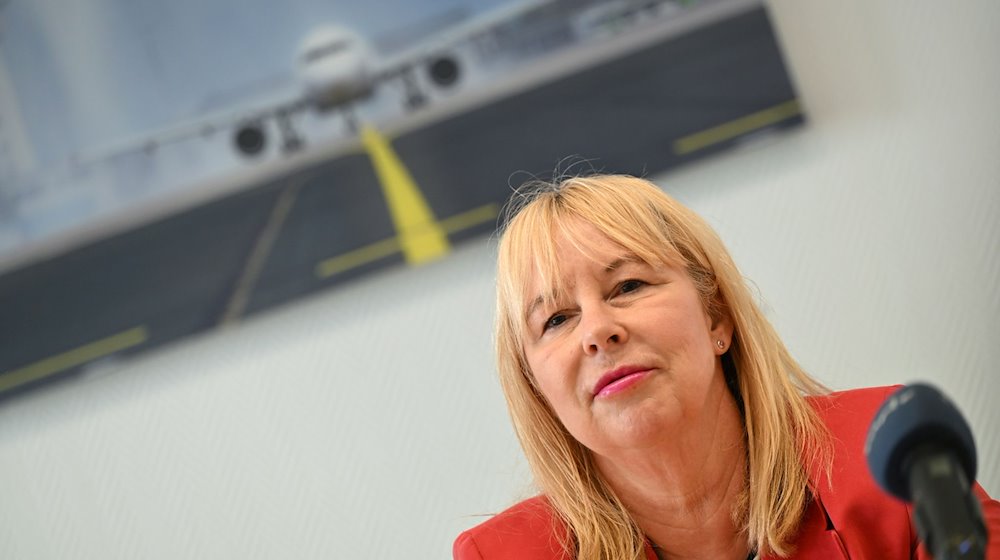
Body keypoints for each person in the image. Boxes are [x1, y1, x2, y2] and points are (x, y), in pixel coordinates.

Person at [453, 174, 999, 560]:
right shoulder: (502, 556)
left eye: (629, 286)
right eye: (556, 320)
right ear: (536, 386)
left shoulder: (892, 459)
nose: (598, 332)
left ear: (716, 315)